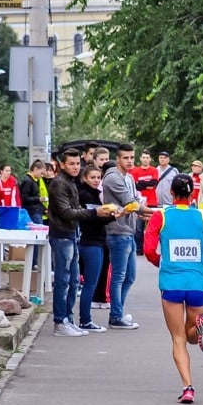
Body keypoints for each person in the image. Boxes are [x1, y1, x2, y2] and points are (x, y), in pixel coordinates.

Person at [144, 174, 203, 403]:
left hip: (171, 282)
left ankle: (188, 387)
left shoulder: (161, 216)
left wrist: (158, 262)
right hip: (196, 281)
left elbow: (149, 249)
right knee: (191, 334)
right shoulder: (202, 217)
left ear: (171, 193)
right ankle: (200, 328)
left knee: (178, 338)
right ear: (193, 194)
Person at [48, 148, 118, 337]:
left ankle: (68, 320)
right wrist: (95, 212)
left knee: (72, 280)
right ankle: (60, 322)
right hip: (62, 235)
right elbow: (66, 212)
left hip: (71, 234)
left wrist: (101, 213)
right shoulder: (59, 183)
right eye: (71, 163)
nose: (75, 167)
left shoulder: (71, 182)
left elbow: (76, 209)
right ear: (62, 165)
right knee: (63, 281)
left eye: (78, 163)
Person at [102, 143, 158, 329]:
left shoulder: (129, 178)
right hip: (117, 232)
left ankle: (118, 312)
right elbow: (131, 202)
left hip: (129, 232)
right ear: (117, 159)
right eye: (125, 158)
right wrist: (156, 213)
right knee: (119, 276)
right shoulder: (113, 178)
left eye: (131, 157)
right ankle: (116, 316)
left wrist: (143, 213)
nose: (129, 161)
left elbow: (133, 206)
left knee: (130, 277)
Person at [77, 164, 119, 332]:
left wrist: (113, 215)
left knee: (89, 283)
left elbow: (99, 218)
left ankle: (84, 320)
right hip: (90, 242)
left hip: (95, 241)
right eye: (92, 177)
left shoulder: (93, 194)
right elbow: (93, 218)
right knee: (90, 284)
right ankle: (85, 321)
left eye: (98, 178)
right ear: (85, 178)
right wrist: (113, 215)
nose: (96, 180)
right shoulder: (86, 195)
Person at [20, 160, 47, 268]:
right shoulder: (28, 181)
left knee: (38, 237)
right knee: (36, 236)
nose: (42, 176)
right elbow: (24, 197)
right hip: (32, 211)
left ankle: (35, 261)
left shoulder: (34, 180)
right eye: (41, 173)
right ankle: (33, 262)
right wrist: (38, 199)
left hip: (36, 210)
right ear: (35, 169)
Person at [130, 149, 159, 248]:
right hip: (140, 202)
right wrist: (146, 184)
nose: (145, 159)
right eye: (144, 157)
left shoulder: (154, 170)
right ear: (140, 159)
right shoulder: (135, 171)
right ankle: (139, 248)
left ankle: (151, 247)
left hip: (152, 202)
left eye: (147, 158)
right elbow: (136, 186)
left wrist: (142, 184)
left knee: (153, 227)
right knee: (139, 227)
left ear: (150, 159)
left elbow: (154, 184)